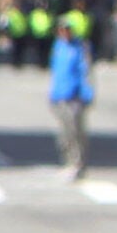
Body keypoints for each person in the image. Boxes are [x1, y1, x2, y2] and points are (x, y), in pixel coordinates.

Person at [47, 17, 94, 180]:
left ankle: (77, 163)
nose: (64, 32)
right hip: (60, 95)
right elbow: (56, 72)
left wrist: (87, 93)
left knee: (76, 132)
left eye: (67, 29)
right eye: (61, 29)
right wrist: (52, 93)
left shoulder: (79, 48)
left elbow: (85, 71)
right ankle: (67, 162)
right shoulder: (58, 47)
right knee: (63, 133)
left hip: (75, 96)